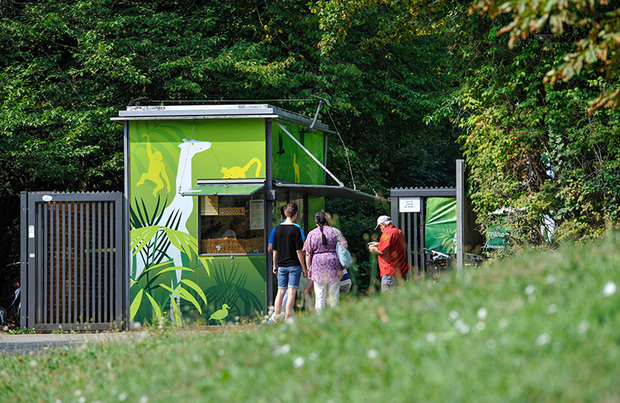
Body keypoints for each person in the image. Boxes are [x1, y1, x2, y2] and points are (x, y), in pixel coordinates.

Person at [303, 210, 347, 311]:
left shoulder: (312, 234)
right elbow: (345, 245)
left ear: (316, 222)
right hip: (334, 264)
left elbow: (308, 253)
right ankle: (334, 318)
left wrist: (309, 269)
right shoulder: (335, 231)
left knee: (319, 296)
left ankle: (320, 319)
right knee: (334, 295)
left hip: (318, 266)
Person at [268, 206, 306, 321]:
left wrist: (275, 265)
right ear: (295, 215)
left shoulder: (277, 229)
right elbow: (299, 251)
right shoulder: (296, 229)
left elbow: (274, 250)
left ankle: (276, 317)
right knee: (291, 292)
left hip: (281, 265)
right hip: (294, 265)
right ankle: (287, 318)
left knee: (280, 292)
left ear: (284, 213)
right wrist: (304, 268)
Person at [368, 215, 409, 292]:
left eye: (380, 227)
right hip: (401, 272)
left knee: (389, 300)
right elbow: (393, 245)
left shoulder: (387, 233)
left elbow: (382, 251)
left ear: (383, 224)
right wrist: (379, 243)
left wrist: (373, 249)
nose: (380, 230)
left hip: (389, 272)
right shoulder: (398, 232)